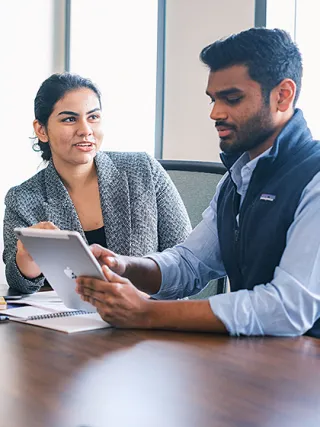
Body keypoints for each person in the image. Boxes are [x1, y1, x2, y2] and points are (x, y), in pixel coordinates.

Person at [75, 27, 320, 338]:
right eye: (213, 100)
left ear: (282, 95)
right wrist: (124, 266)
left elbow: (288, 309)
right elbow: (190, 264)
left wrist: (146, 312)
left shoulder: (314, 178)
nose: (215, 113)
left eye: (232, 99)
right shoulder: (237, 180)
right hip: (253, 362)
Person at [3, 73, 191, 294]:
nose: (85, 130)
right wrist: (27, 262)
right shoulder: (22, 198)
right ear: (41, 130)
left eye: (93, 117)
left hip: (150, 317)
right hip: (70, 323)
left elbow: (186, 259)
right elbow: (18, 283)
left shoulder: (143, 170)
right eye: (69, 119)